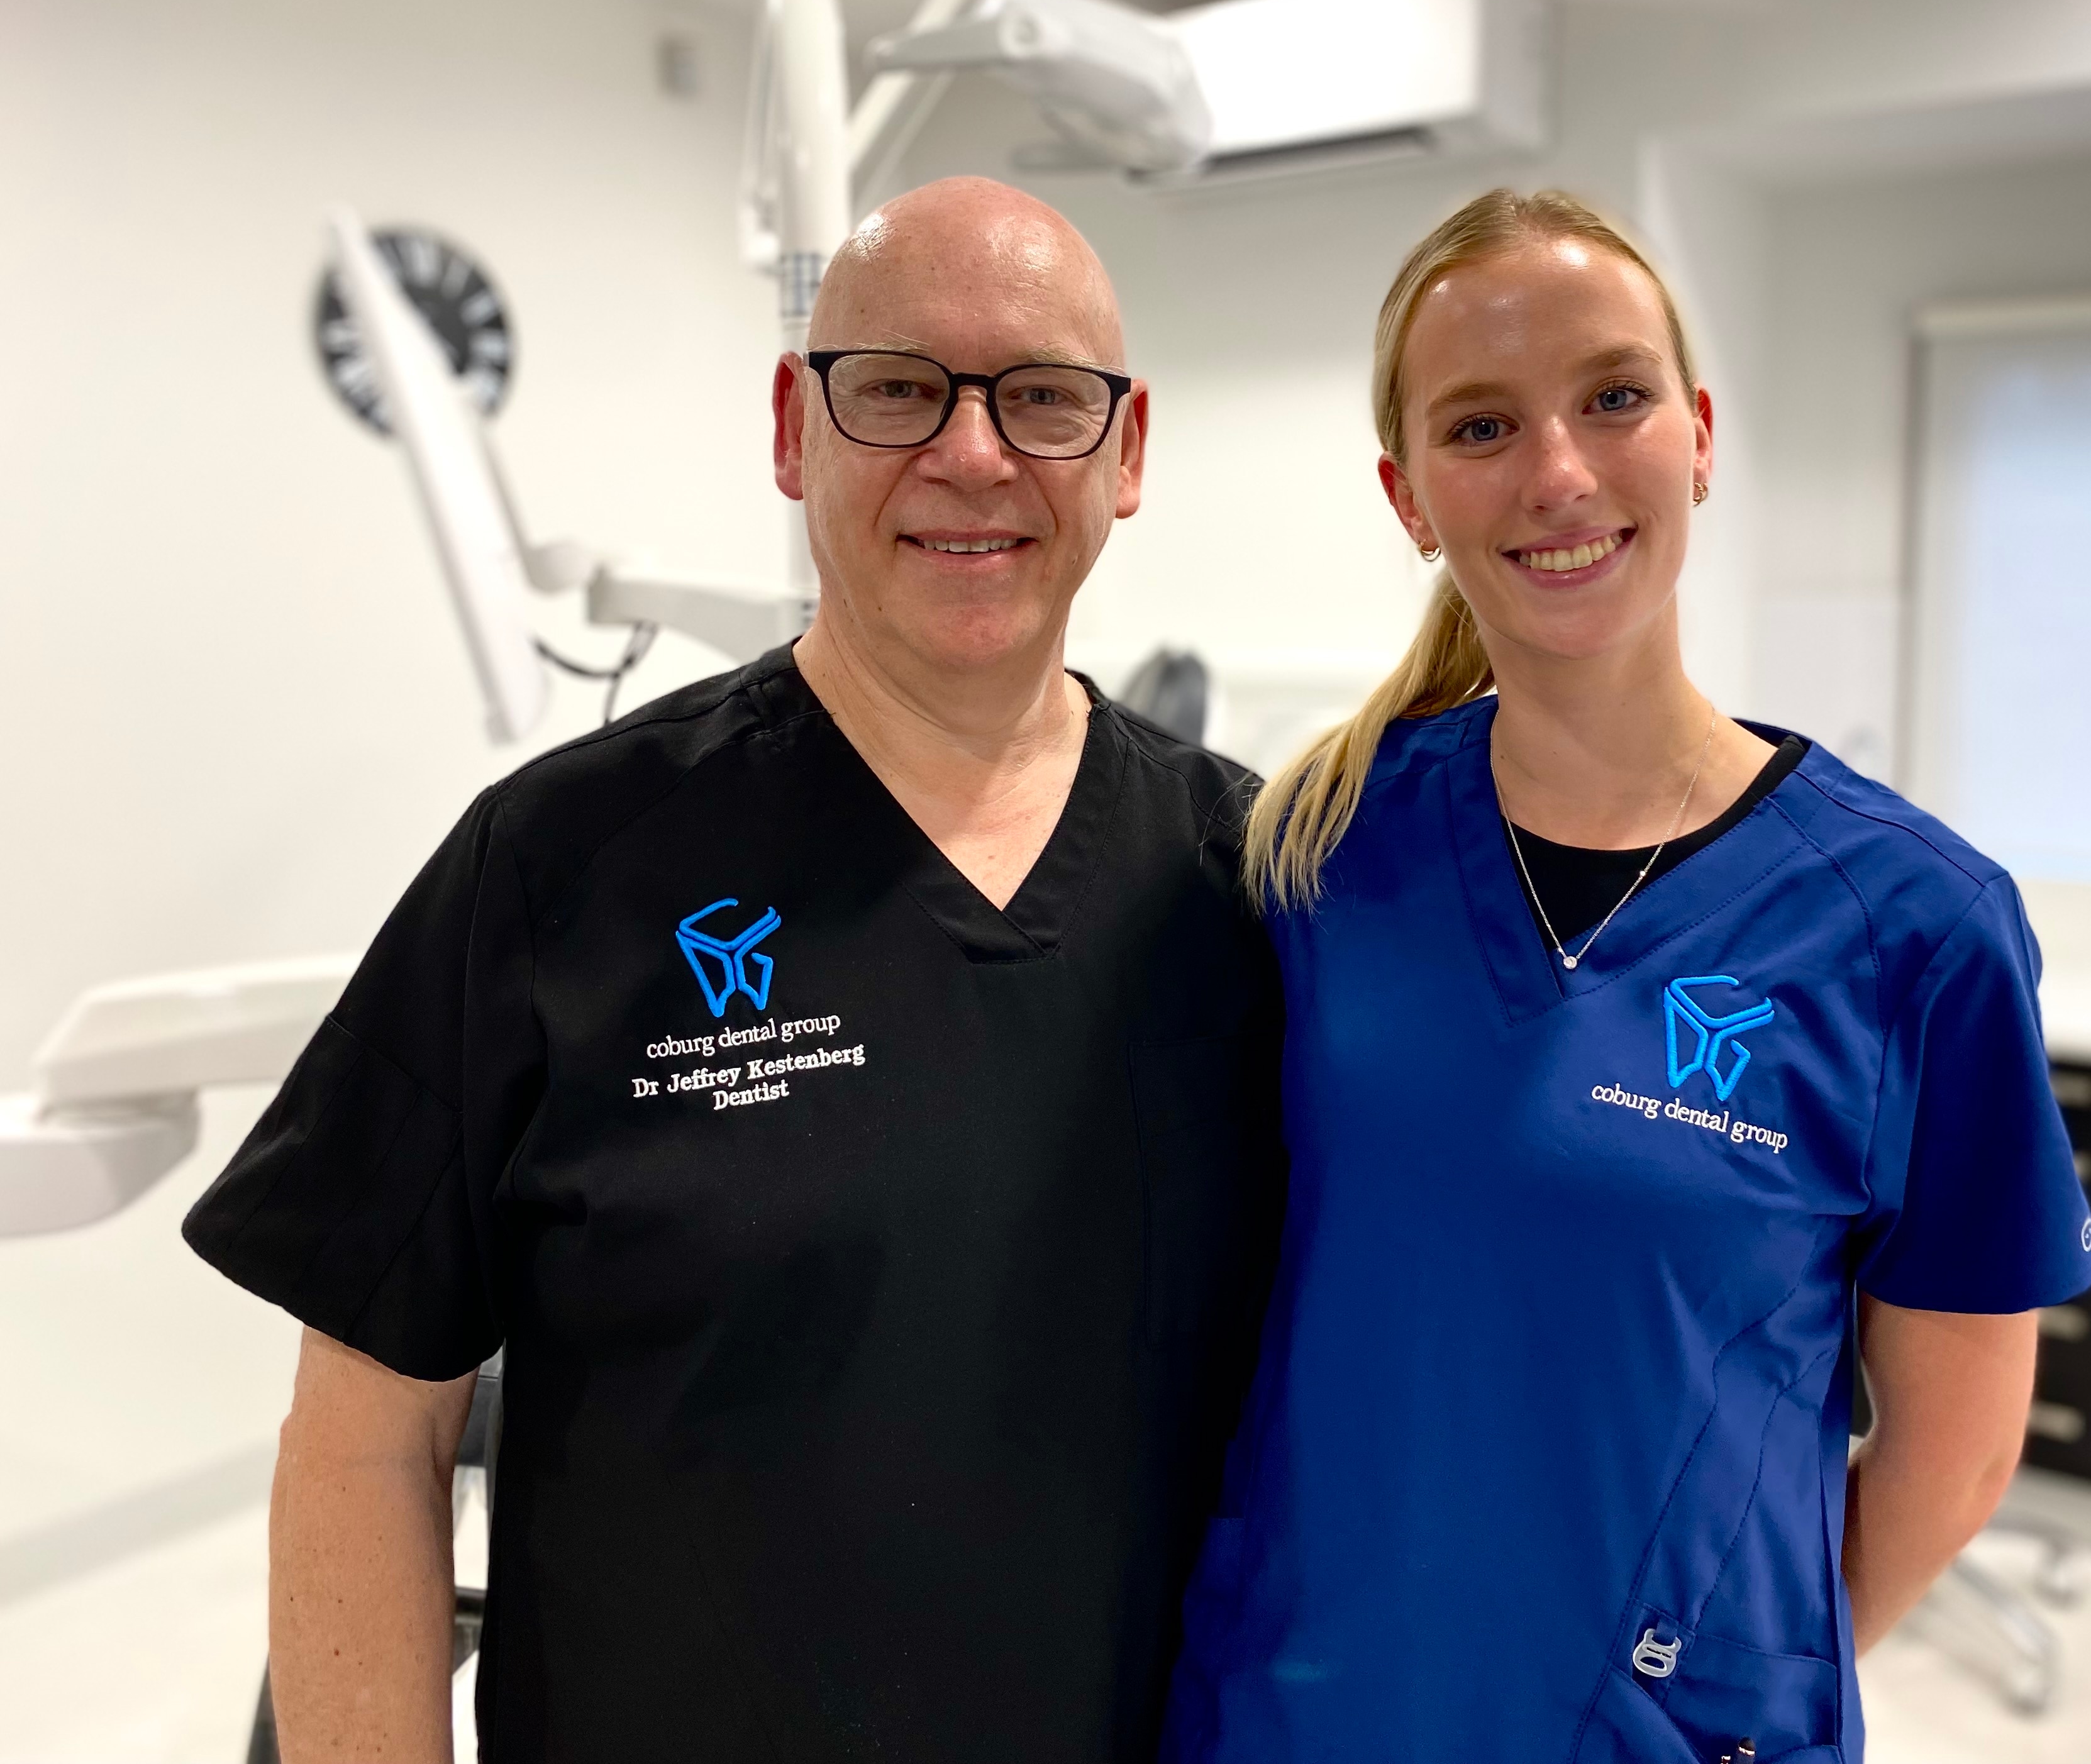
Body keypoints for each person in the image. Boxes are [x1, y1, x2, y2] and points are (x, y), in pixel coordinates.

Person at [185, 177, 1285, 1762]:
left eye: (1044, 399)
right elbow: (367, 1438)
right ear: (794, 426)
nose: (971, 454)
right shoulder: (558, 869)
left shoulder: (1246, 885)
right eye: (900, 387)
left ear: (1125, 455)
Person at [1162, 189, 2091, 1763]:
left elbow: (1954, 1454)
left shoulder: (1912, 928)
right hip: (1303, 1706)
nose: (1558, 473)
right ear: (1408, 499)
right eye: (1480, 426)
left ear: (1701, 434)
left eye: (1614, 396)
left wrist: (1701, 1679)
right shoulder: (1319, 853)